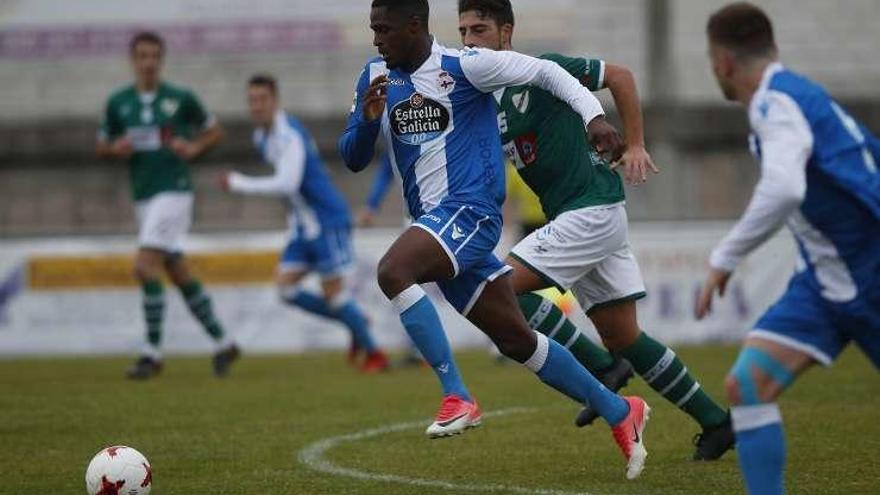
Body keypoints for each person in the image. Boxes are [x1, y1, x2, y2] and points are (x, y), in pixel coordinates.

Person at [340, 0, 651, 480]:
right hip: (438, 225)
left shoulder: (466, 66)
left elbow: (549, 74)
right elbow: (353, 158)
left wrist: (594, 117)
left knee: (393, 271)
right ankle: (620, 410)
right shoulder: (375, 76)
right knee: (517, 340)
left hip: (471, 213)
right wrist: (365, 118)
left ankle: (457, 395)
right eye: (372, 30)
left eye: (383, 30)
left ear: (414, 26)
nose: (376, 40)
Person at [458, 0, 734, 460]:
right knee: (624, 334)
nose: (469, 41)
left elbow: (621, 76)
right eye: (463, 31)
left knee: (498, 289)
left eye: (480, 30)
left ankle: (602, 370)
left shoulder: (542, 69)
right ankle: (717, 423)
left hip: (590, 210)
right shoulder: (485, 94)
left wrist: (637, 143)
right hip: (581, 215)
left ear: (506, 31)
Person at [695, 3, 880, 493]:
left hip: (873, 269)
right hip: (826, 281)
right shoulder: (791, 96)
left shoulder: (774, 103)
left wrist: (724, 258)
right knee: (748, 384)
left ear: (723, 64)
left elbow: (784, 189)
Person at [221, 74, 389, 373]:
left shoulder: (290, 136)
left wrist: (238, 183)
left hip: (327, 220)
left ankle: (375, 353)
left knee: (334, 295)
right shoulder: (262, 138)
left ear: (275, 101)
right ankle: (355, 319)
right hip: (304, 226)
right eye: (252, 101)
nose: (257, 107)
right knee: (285, 290)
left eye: (262, 100)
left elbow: (288, 184)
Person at [96, 31, 239, 379]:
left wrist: (193, 148)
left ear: (161, 60)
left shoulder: (180, 98)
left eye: (154, 56)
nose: (148, 62)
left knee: (144, 267)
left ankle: (152, 353)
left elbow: (214, 130)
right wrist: (116, 149)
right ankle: (224, 343)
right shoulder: (119, 102)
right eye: (142, 56)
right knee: (176, 271)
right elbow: (102, 144)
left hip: (173, 192)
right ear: (133, 60)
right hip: (143, 195)